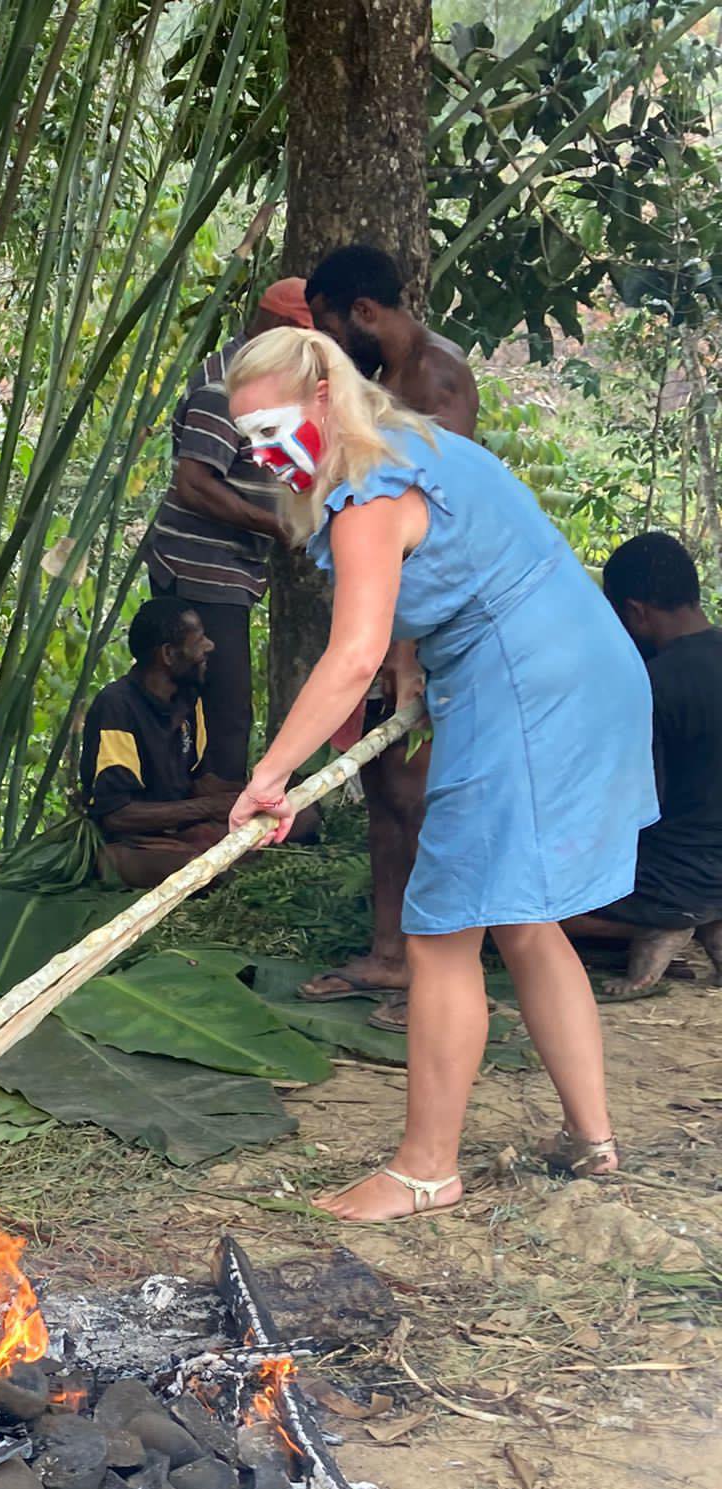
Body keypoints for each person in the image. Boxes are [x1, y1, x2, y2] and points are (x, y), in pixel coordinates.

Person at [226, 327, 655, 1223]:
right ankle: (595, 1143)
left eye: (271, 430)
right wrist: (413, 665)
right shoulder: (412, 443)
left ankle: (425, 1169)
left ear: (320, 402)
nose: (264, 454)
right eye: (249, 440)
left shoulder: (368, 492)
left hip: (526, 688)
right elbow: (445, 571)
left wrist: (269, 773)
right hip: (579, 665)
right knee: (524, 922)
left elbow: (351, 655)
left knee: (440, 931)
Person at [298, 245, 481, 1029]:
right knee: (382, 796)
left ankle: (430, 972)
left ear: (362, 312)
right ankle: (386, 952)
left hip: (435, 625)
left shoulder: (435, 380)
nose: (331, 345)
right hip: (390, 627)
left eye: (331, 326)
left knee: (418, 799)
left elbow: (434, 527)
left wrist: (401, 656)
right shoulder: (378, 386)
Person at [143, 279, 315, 784]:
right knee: (224, 708)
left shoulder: (254, 381)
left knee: (206, 706)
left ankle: (200, 813)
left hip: (227, 568)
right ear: (283, 330)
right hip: (200, 569)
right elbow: (193, 485)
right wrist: (275, 527)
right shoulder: (227, 389)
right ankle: (214, 826)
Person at [562, 533, 722, 992]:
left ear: (634, 610)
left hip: (674, 877)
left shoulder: (649, 684)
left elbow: (635, 802)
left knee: (513, 918)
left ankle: (662, 924)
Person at [80, 597, 238, 888]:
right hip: (130, 842)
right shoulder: (117, 706)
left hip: (179, 831)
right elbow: (116, 815)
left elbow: (199, 782)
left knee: (297, 820)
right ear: (168, 654)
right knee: (201, 869)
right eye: (200, 639)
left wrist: (257, 793)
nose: (210, 647)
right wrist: (208, 808)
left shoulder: (188, 697)